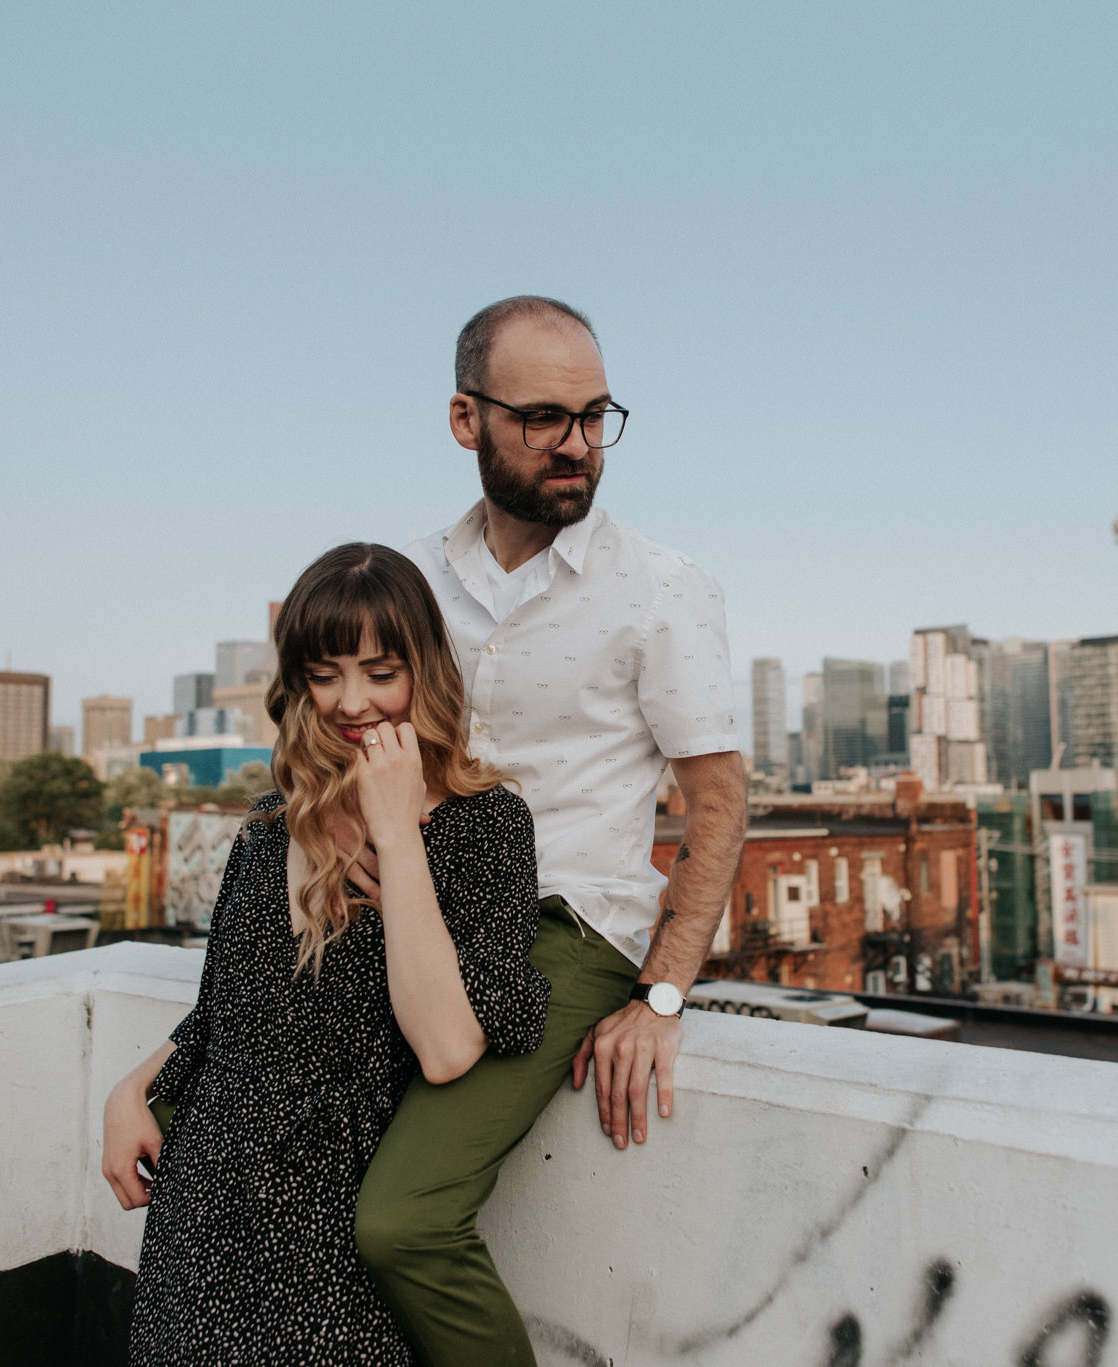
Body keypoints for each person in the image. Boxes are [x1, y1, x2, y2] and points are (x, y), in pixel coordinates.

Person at [350, 297, 748, 1365]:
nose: (575, 445)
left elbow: (716, 802)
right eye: (540, 417)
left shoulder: (662, 590)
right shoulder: (409, 578)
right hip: (408, 916)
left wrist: (660, 996)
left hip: (562, 929)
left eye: (593, 415)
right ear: (463, 419)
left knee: (400, 1220)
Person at [101, 542, 552, 1366]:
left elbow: (449, 1048)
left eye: (382, 671)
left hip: (334, 1214)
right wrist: (132, 1088)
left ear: (425, 669)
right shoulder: (271, 825)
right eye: (325, 672)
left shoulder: (489, 826)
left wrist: (396, 835)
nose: (353, 701)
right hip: (209, 1199)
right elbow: (232, 1012)